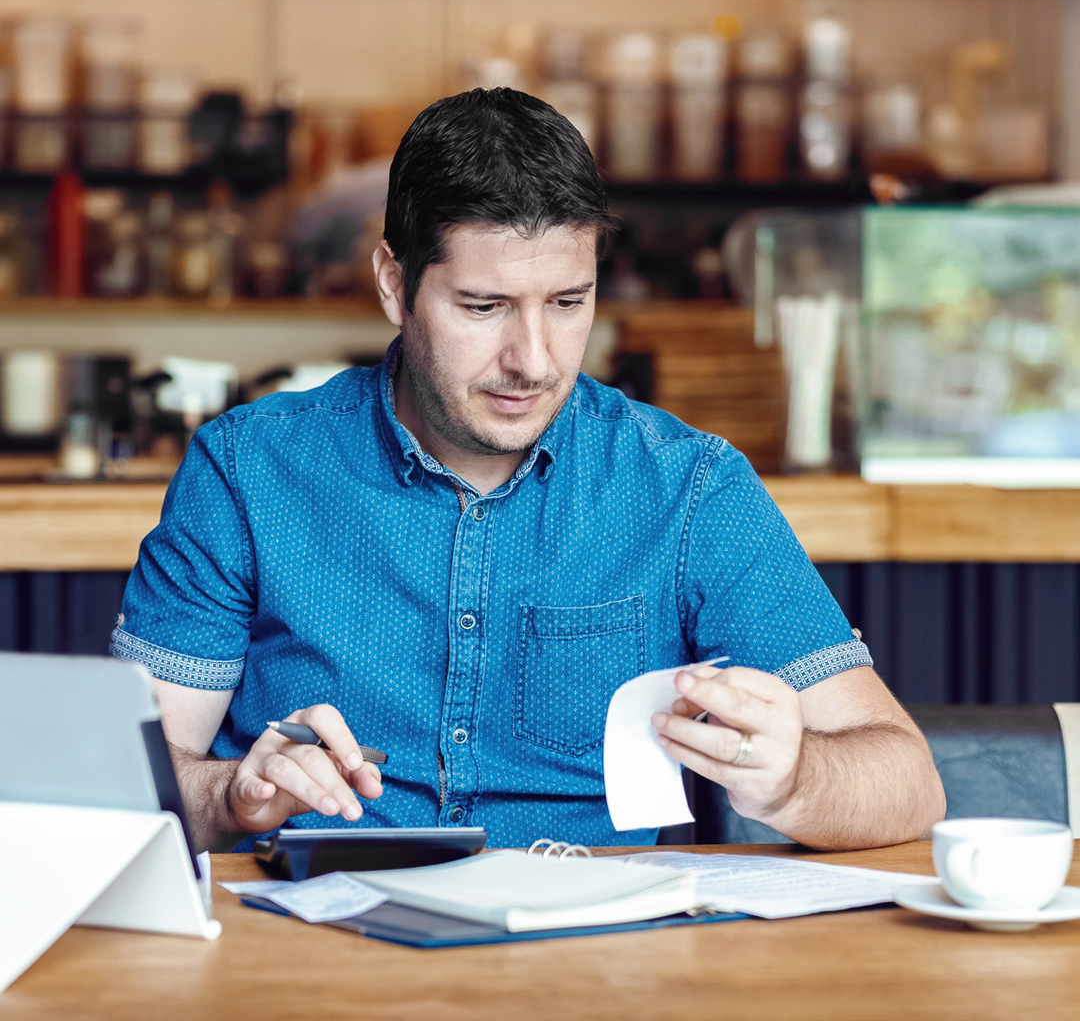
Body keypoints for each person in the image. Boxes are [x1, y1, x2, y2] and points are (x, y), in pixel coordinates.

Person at [110, 88, 945, 853]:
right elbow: (118, 782)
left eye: (568, 303)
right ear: (394, 285)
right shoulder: (247, 472)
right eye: (485, 307)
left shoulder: (687, 489)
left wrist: (797, 780)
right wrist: (232, 794)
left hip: (589, 965)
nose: (533, 361)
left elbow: (908, 783)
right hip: (319, 961)